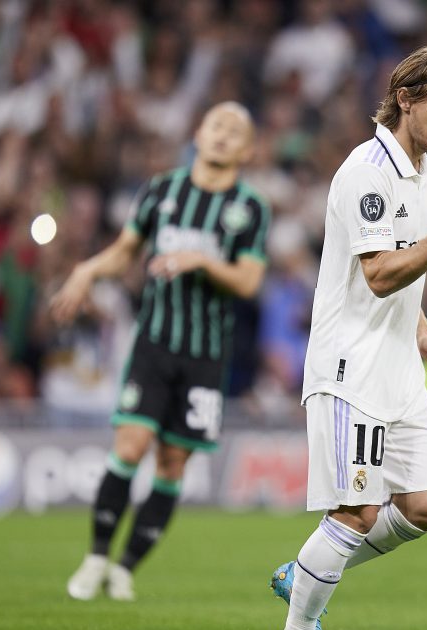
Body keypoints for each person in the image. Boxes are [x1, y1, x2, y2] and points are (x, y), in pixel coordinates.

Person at [268, 45, 427, 630]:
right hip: (350, 368)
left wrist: (423, 331)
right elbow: (381, 273)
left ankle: (307, 569)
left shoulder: (424, 171)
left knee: (424, 506)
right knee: (356, 510)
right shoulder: (366, 170)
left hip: (398, 366)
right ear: (406, 99)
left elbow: (402, 281)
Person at [51, 102, 270, 601]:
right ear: (197, 131)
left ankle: (126, 567)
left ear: (247, 150)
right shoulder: (161, 191)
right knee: (129, 447)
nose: (221, 135)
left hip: (205, 355)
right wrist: (86, 270)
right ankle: (95, 558)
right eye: (215, 124)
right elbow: (126, 251)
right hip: (152, 344)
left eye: (234, 130)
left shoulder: (250, 208)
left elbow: (248, 280)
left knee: (173, 464)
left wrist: (202, 261)